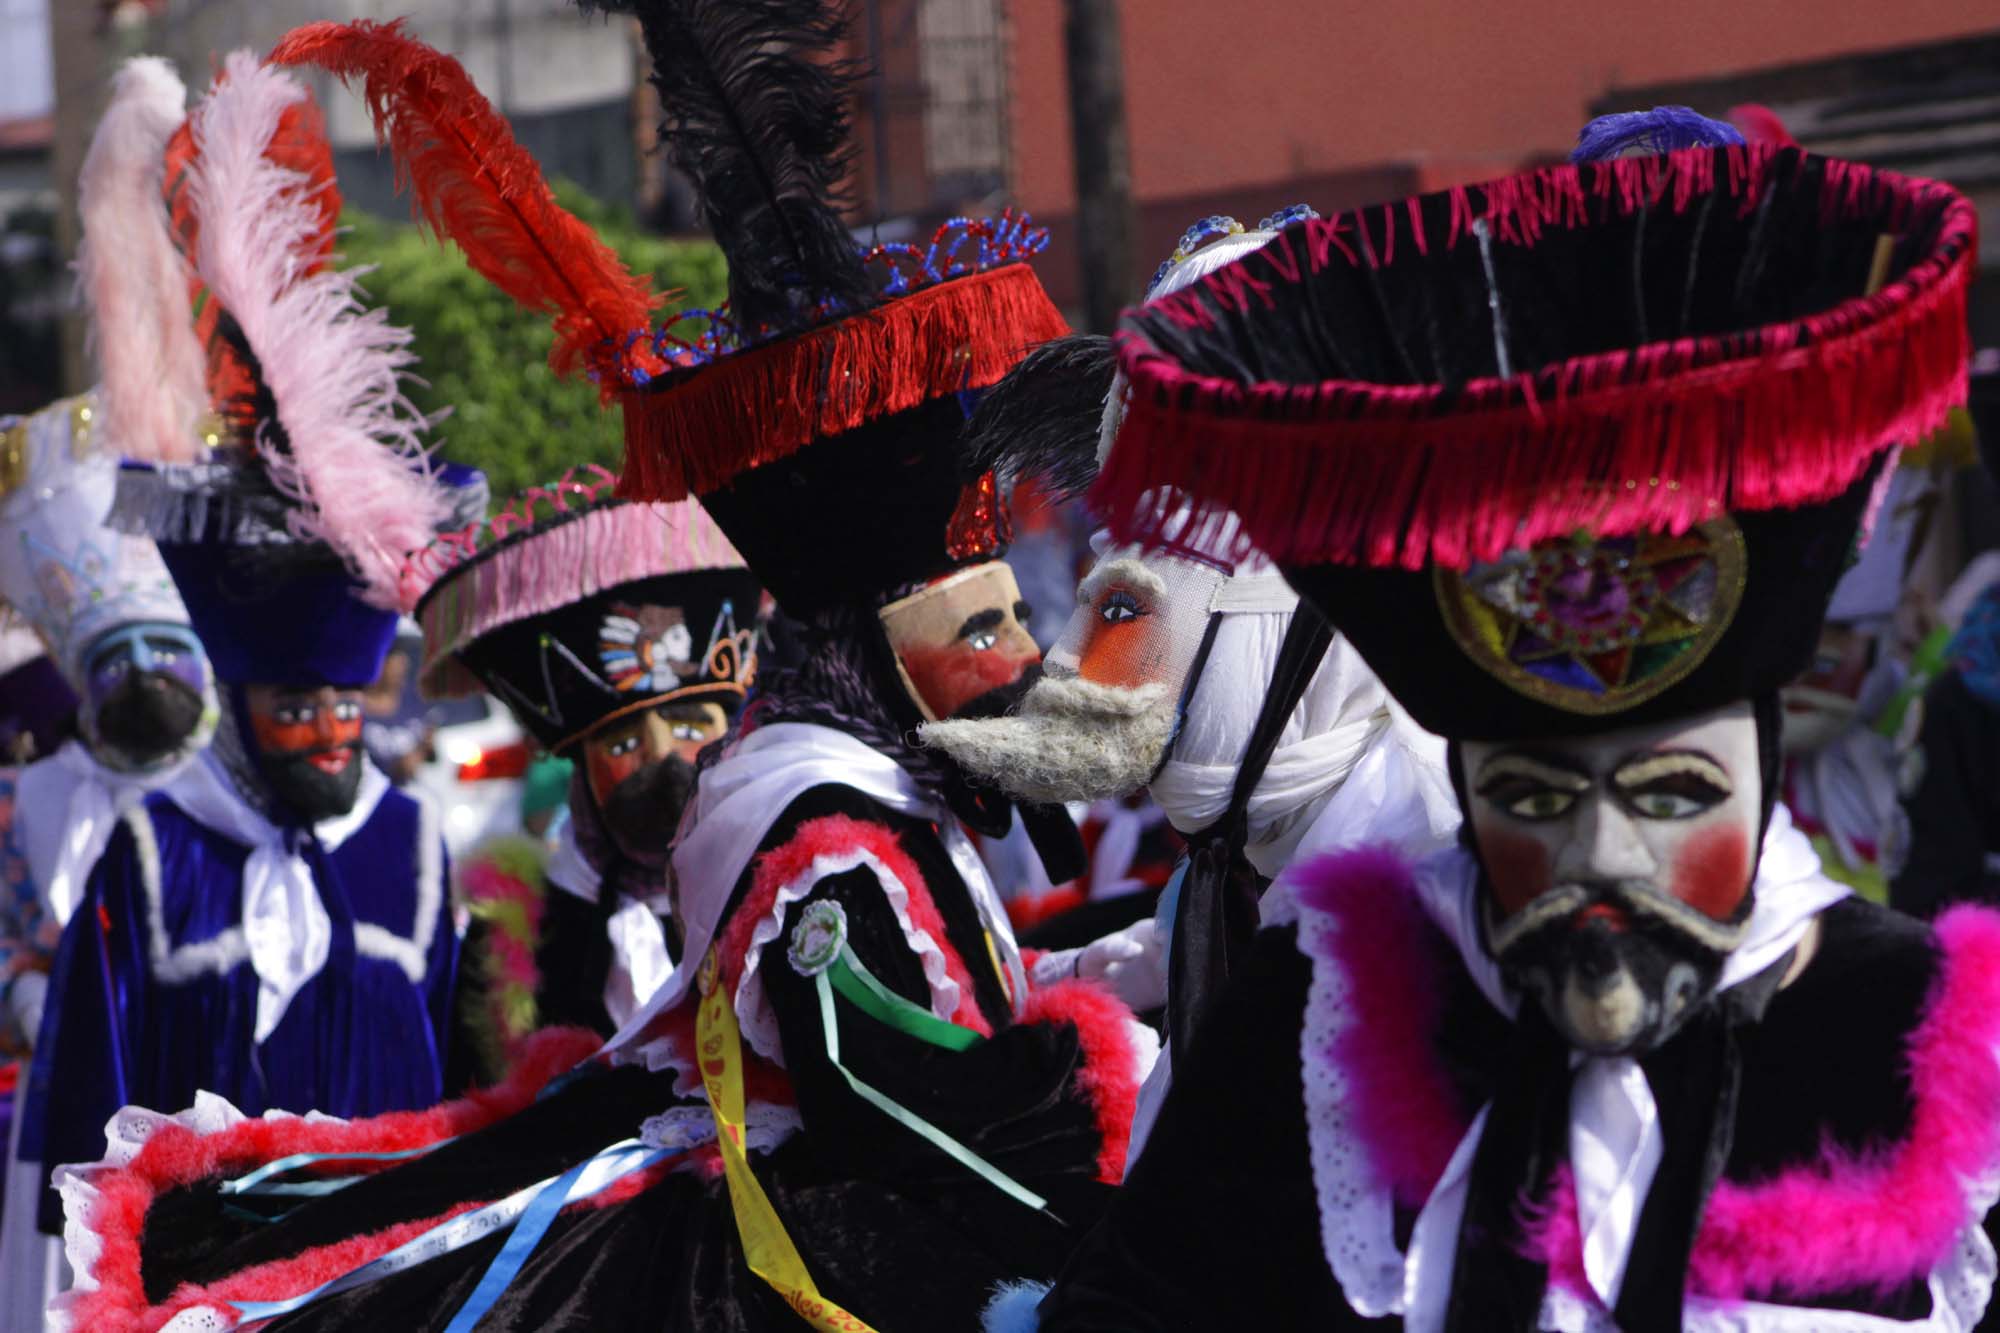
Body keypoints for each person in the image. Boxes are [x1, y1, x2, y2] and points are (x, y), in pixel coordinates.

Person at [51, 17, 1152, 1331]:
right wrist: (1110, 1162)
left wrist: (1147, 955)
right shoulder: (826, 842)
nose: (1020, 660)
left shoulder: (889, 809)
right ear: (866, 643)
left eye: (1010, 622)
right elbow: (880, 1097)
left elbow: (974, 996)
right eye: (976, 632)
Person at [1007, 114, 2000, 1330]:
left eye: (1671, 793)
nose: (1599, 859)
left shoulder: (1914, 1022)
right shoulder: (1322, 1000)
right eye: (1532, 798)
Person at [18, 49, 479, 1245]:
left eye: (346, 707)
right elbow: (86, 1102)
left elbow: (462, 1071)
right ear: (239, 698)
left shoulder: (412, 845)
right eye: (296, 708)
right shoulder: (154, 853)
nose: (329, 733)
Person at [925, 210, 1460, 1160]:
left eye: (1137, 609)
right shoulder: (1238, 862)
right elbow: (1178, 940)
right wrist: (1036, 983)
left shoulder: (1435, 858)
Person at [0, 59, 223, 1328]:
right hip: (66, 1102)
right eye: (122, 664)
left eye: (158, 660)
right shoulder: (39, 798)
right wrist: (38, 994)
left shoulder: (233, 800)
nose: (143, 684)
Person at [414, 467, 761, 1077]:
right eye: (623, 741)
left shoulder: (776, 897)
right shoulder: (518, 939)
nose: (660, 756)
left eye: (688, 729)